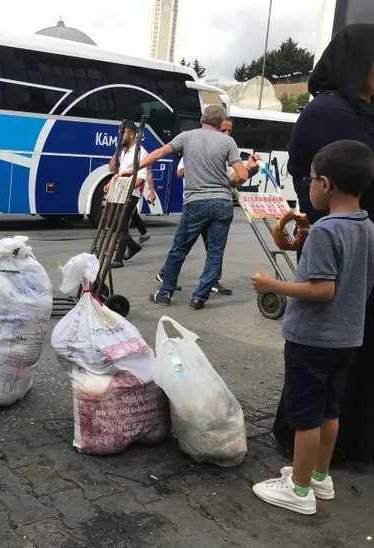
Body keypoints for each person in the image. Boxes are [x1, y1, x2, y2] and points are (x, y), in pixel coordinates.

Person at [250, 139, 374, 515]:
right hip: (347, 336)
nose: (308, 185)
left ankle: (299, 491)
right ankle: (320, 476)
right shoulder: (365, 225)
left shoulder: (326, 230)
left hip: (312, 338)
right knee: (329, 410)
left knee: (304, 414)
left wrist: (272, 285)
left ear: (327, 184)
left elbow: (321, 289)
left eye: (311, 178)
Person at [272, 23, 374, 466]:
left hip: (353, 257)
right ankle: (310, 469)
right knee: (325, 378)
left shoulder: (356, 110)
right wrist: (270, 285)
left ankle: (319, 462)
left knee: (333, 378)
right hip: (345, 258)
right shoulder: (333, 113)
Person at [125, 104, 249, 310]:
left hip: (195, 202)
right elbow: (242, 175)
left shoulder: (187, 136)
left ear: (202, 120)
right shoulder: (228, 141)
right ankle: (199, 297)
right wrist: (227, 179)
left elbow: (158, 153)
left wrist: (132, 170)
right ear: (220, 124)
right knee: (215, 253)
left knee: (179, 249)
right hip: (222, 203)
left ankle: (165, 293)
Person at [155, 118, 260, 295]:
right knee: (183, 246)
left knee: (213, 249)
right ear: (216, 128)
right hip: (195, 202)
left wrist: (249, 167)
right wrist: (206, 166)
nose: (226, 134)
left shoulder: (227, 149)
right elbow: (180, 172)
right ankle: (167, 276)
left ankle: (209, 283)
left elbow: (235, 179)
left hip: (215, 202)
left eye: (229, 131)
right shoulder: (196, 143)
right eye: (223, 130)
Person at [105, 123, 157, 268]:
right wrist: (117, 151)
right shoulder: (123, 151)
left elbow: (142, 177)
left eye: (123, 133)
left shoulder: (140, 152)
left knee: (121, 225)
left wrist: (126, 187)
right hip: (118, 192)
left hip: (131, 193)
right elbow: (111, 168)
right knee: (113, 224)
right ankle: (132, 247)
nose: (120, 136)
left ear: (132, 134)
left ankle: (118, 258)